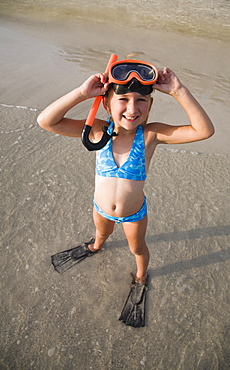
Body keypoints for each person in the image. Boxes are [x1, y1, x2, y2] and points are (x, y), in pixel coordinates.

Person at [37, 58, 214, 327]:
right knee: (101, 233)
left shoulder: (150, 135)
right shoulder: (97, 130)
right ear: (107, 103)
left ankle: (141, 277)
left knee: (137, 248)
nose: (133, 108)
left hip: (134, 214)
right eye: (124, 99)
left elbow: (204, 131)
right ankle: (96, 246)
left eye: (141, 100)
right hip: (100, 208)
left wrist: (178, 90)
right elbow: (46, 121)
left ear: (150, 105)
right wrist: (83, 93)